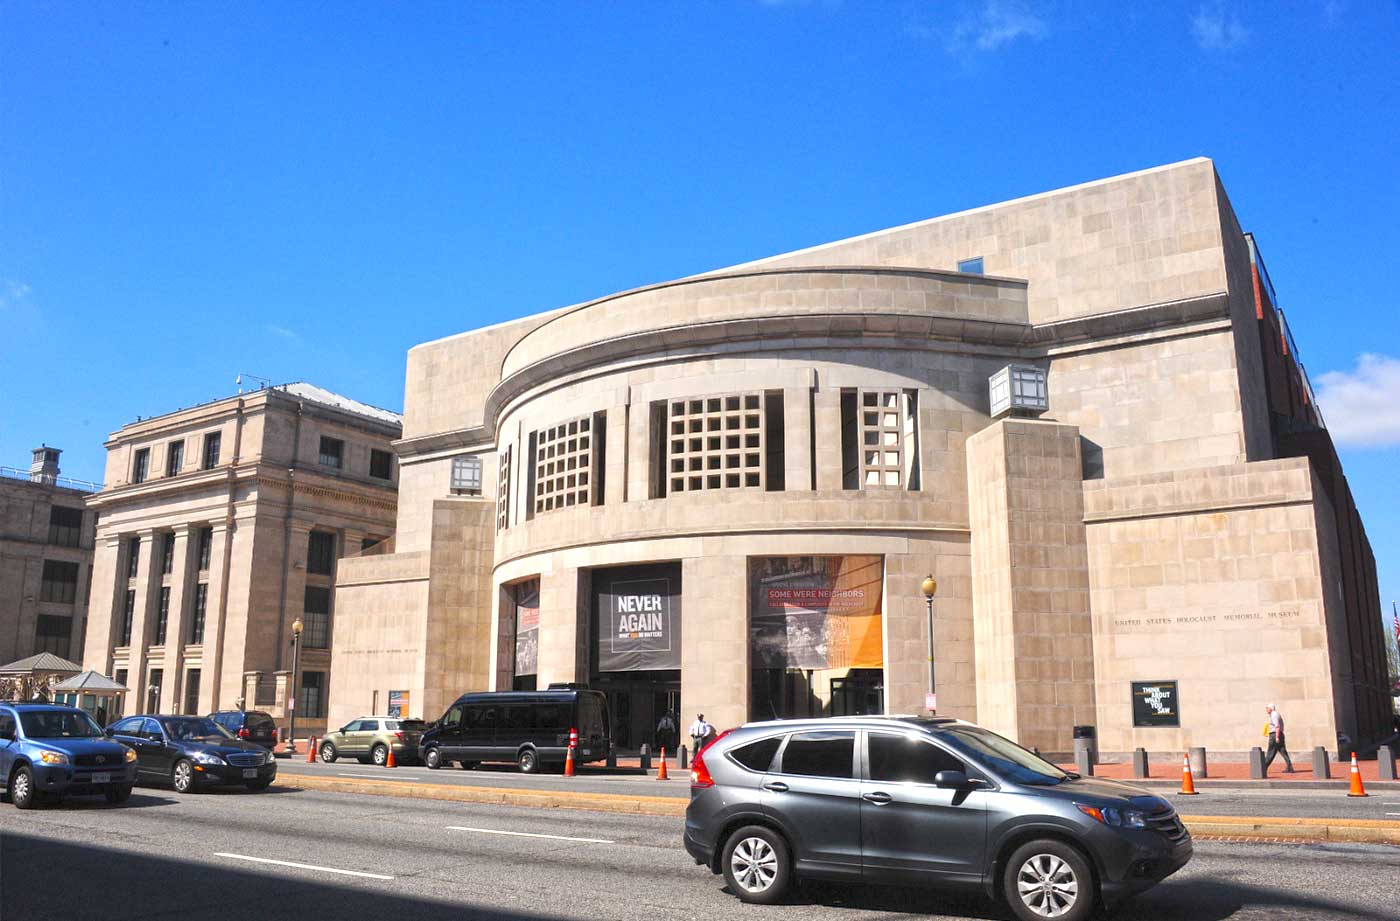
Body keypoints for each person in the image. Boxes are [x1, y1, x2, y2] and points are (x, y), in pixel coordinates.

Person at [1262, 703, 1294, 775]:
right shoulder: (1275, 714)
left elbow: (1277, 726)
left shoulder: (1274, 715)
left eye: (1267, 708)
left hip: (1275, 735)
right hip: (1278, 734)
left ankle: (1264, 767)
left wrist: (1276, 737)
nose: (1266, 709)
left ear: (1271, 708)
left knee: (1271, 752)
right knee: (1283, 751)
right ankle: (1289, 767)